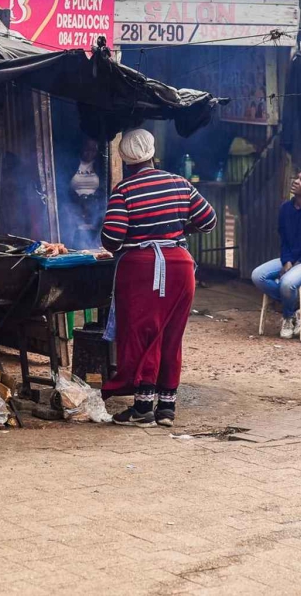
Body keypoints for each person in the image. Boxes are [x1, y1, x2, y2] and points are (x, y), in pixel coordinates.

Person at [100, 129, 217, 427]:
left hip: (142, 270)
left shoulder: (124, 190)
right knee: (171, 335)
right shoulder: (180, 182)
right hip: (180, 266)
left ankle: (142, 409)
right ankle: (166, 408)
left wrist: (140, 234)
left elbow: (112, 238)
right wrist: (178, 230)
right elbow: (209, 221)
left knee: (142, 336)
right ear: (152, 153)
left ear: (125, 159)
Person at [251, 166, 301, 339]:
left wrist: (295, 264)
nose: (296, 181)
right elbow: (284, 240)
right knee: (258, 276)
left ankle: (287, 317)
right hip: (293, 259)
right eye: (297, 178)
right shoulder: (285, 208)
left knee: (287, 282)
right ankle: (296, 310)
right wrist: (287, 260)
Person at [67, 136, 105, 250]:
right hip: (74, 204)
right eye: (87, 149)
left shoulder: (100, 166)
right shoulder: (71, 164)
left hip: (94, 204)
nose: (90, 153)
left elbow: (103, 188)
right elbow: (65, 186)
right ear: (81, 148)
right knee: (70, 218)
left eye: (93, 150)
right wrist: (79, 201)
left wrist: (91, 200)